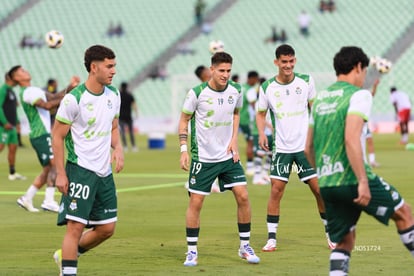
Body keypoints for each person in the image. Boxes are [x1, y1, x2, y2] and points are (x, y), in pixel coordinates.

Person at [305, 45, 414, 275]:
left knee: (345, 240)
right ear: (357, 67)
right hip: (353, 178)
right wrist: (363, 181)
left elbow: (308, 148)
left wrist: (324, 175)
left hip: (328, 183)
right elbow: (351, 138)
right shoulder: (358, 95)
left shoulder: (321, 100)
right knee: (404, 213)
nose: (364, 76)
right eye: (364, 71)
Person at [179, 52, 260, 266]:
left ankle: (244, 246)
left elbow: (236, 113)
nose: (225, 75)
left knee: (243, 195)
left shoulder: (237, 90)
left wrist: (234, 141)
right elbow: (184, 120)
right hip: (203, 158)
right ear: (212, 69)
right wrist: (183, 150)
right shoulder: (196, 93)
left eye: (228, 71)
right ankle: (192, 251)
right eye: (221, 70)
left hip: (227, 156)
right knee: (196, 202)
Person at [52, 45, 123, 276]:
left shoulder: (114, 95)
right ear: (94, 68)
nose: (113, 70)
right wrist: (61, 173)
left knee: (107, 228)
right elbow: (58, 135)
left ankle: (67, 256)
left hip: (104, 172)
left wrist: (118, 147)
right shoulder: (74, 99)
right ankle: (69, 271)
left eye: (114, 65)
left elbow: (113, 125)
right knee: (75, 228)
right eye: (109, 66)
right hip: (80, 169)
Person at [256, 44, 335, 252]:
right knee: (276, 191)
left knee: (319, 190)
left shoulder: (306, 81)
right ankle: (271, 238)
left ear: (295, 61)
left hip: (305, 148)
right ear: (276, 63)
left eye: (291, 61)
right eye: (284, 62)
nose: (288, 65)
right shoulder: (267, 88)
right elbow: (260, 113)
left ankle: (331, 235)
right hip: (281, 148)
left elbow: (315, 108)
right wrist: (262, 133)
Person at [9, 65, 79, 212]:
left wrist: (70, 87)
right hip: (40, 134)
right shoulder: (27, 92)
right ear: (16, 78)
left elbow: (53, 97)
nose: (25, 71)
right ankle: (48, 200)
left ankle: (27, 198)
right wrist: (68, 96)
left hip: (42, 134)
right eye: (21, 71)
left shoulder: (34, 90)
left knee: (48, 169)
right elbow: (48, 106)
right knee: (55, 164)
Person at [0, 72, 26, 180]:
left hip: (12, 127)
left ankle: (12, 173)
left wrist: (16, 121)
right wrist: (5, 122)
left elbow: (13, 108)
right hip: (3, 127)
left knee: (13, 148)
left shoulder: (12, 91)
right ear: (10, 78)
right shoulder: (3, 90)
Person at [240, 71, 260, 176]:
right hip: (247, 120)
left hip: (239, 119)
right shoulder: (250, 90)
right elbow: (254, 105)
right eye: (256, 80)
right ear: (252, 78)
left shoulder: (241, 87)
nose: (256, 82)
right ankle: (250, 166)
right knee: (251, 142)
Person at [119, 82, 138, 152]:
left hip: (121, 116)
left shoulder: (119, 95)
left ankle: (125, 146)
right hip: (128, 116)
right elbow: (134, 105)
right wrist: (136, 113)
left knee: (123, 132)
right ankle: (133, 146)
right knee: (131, 132)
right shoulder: (129, 95)